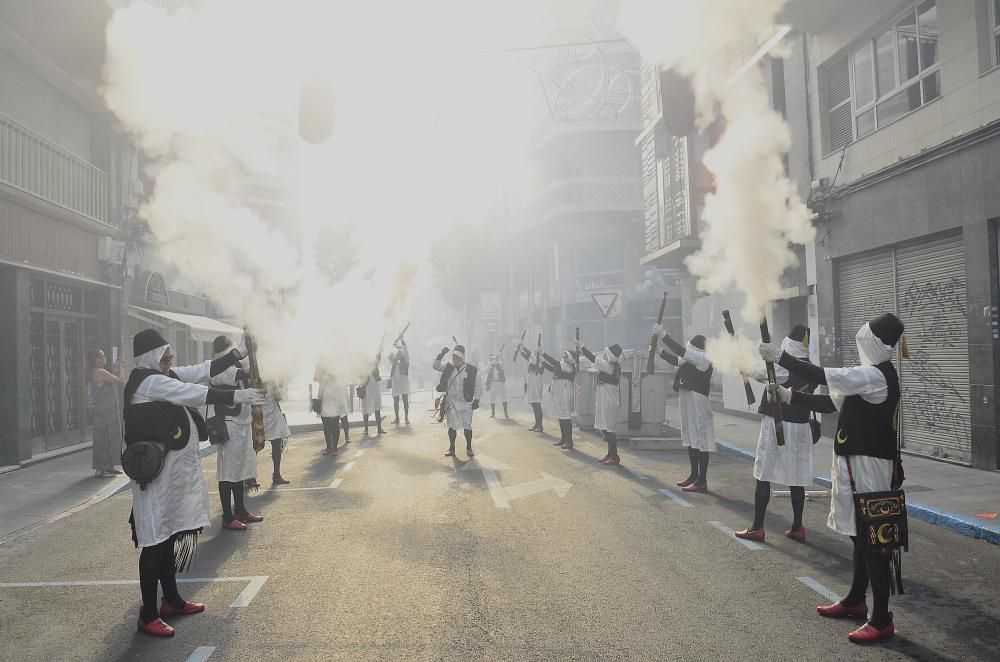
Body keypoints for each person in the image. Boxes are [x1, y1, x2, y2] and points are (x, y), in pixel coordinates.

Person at [759, 312, 904, 644]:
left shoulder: (875, 375)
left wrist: (781, 358)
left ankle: (881, 618)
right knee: (859, 535)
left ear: (873, 342)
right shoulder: (866, 377)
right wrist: (790, 397)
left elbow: (822, 374)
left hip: (869, 467)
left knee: (872, 539)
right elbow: (828, 402)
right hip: (856, 465)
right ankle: (856, 599)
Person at [124, 328, 264, 637]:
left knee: (170, 536)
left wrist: (237, 353)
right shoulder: (149, 381)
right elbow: (194, 393)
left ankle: (171, 600)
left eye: (170, 357)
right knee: (155, 542)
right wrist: (237, 395)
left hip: (170, 478)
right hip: (155, 481)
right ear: (150, 357)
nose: (169, 362)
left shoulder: (165, 374)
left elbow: (202, 370)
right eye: (165, 357)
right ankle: (147, 614)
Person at [735, 324, 817, 542]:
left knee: (763, 473)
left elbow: (760, 372)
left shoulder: (781, 367)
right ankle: (798, 527)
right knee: (796, 478)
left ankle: (757, 527)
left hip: (777, 423)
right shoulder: (810, 368)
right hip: (801, 427)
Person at [209, 336, 264, 532]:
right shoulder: (221, 368)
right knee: (227, 473)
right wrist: (249, 349)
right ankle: (227, 516)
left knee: (239, 470)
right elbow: (245, 373)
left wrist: (250, 342)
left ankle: (240, 510)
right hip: (229, 425)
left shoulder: (231, 364)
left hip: (241, 423)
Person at [653, 324, 715, 492]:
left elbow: (682, 352)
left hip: (698, 401)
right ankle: (694, 475)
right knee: (690, 436)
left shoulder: (703, 358)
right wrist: (659, 351)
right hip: (687, 398)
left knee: (701, 440)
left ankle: (702, 480)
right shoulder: (692, 357)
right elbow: (677, 359)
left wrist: (664, 335)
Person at [575, 341, 623, 465]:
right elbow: (594, 362)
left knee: (609, 429)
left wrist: (582, 347)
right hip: (605, 401)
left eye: (606, 354)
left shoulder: (610, 366)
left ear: (611, 355)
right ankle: (610, 453)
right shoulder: (610, 365)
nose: (604, 356)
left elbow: (593, 358)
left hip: (609, 402)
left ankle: (615, 456)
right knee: (605, 429)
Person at [432, 344, 482, 457]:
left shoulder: (472, 369)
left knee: (467, 425)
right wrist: (441, 354)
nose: (456, 358)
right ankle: (451, 448)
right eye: (454, 356)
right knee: (451, 425)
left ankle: (469, 448)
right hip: (452, 402)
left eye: (458, 356)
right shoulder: (448, 367)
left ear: (463, 357)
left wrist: (476, 400)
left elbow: (478, 385)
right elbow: (436, 366)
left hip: (466, 402)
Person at [88, 348, 124, 477]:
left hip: (103, 409)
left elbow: (112, 376)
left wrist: (117, 365)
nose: (104, 358)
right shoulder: (100, 372)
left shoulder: (97, 371)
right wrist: (122, 366)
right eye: (101, 356)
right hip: (105, 410)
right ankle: (102, 467)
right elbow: (119, 380)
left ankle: (106, 466)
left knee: (106, 437)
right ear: (95, 359)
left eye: (104, 356)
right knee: (106, 437)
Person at [541, 349, 577, 449]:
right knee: (561, 416)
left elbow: (554, 362)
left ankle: (569, 441)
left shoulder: (569, 366)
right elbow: (551, 368)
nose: (563, 357)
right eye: (563, 355)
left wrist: (543, 354)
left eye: (566, 356)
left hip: (565, 394)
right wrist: (542, 361)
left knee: (565, 417)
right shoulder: (562, 365)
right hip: (560, 393)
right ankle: (563, 439)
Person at [315, 365, 350, 456]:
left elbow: (340, 394)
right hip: (324, 407)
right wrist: (318, 404)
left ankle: (334, 447)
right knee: (326, 429)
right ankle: (328, 447)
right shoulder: (323, 379)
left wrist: (342, 407)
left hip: (334, 407)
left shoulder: (337, 380)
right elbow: (320, 391)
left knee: (334, 428)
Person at [264, 382, 292, 485]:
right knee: (252, 449)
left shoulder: (272, 377)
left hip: (272, 414)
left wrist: (278, 384)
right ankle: (249, 478)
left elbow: (280, 396)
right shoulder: (252, 371)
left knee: (276, 446)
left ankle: (276, 475)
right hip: (257, 414)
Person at [520, 346, 545, 433]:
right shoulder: (532, 359)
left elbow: (541, 371)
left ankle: (540, 425)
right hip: (531, 383)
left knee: (537, 405)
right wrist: (520, 348)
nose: (533, 353)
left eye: (535, 352)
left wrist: (536, 367)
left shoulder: (541, 359)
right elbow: (526, 355)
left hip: (537, 384)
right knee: (534, 405)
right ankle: (536, 424)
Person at [361, 354, 386, 436]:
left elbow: (378, 356)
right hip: (367, 390)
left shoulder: (375, 365)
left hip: (375, 389)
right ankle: (366, 429)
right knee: (365, 410)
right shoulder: (363, 367)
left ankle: (379, 428)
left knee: (377, 409)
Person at [389, 340, 411, 425]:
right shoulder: (393, 360)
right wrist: (393, 345)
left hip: (404, 382)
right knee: (396, 400)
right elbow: (389, 354)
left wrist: (402, 340)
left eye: (399, 352)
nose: (398, 353)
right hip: (395, 382)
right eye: (397, 352)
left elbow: (405, 350)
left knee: (405, 400)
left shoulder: (406, 358)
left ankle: (406, 417)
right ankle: (397, 418)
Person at [484, 354, 509, 419]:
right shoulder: (489, 365)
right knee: (492, 398)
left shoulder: (499, 364)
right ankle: (493, 414)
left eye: (492, 359)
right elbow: (486, 371)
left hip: (500, 383)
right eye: (490, 359)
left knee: (503, 397)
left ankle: (506, 413)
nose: (491, 360)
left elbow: (504, 364)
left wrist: (501, 357)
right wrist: (491, 365)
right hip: (493, 383)